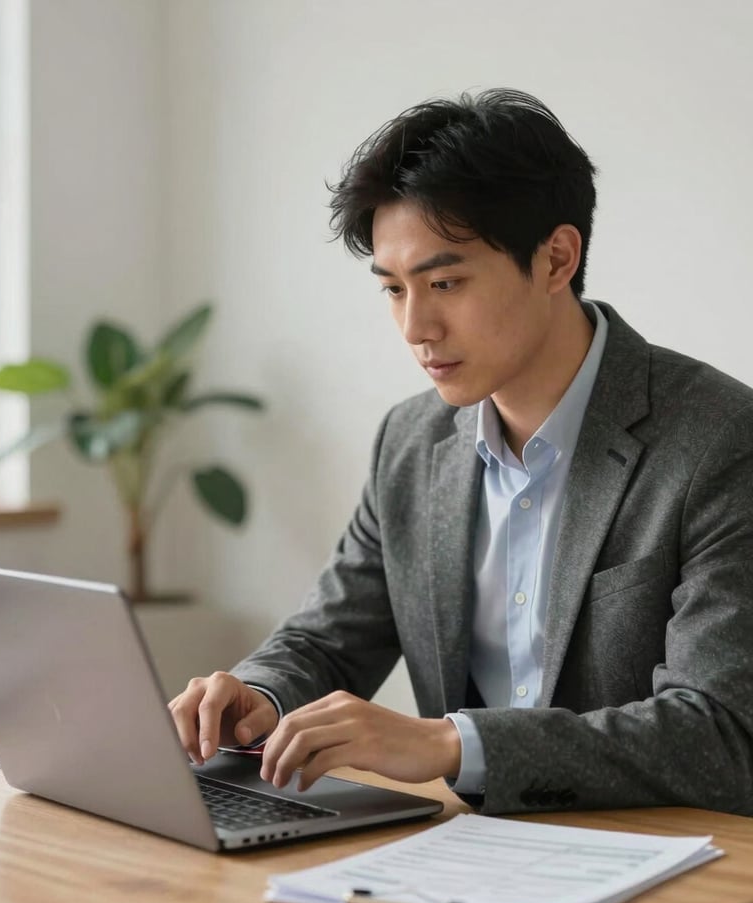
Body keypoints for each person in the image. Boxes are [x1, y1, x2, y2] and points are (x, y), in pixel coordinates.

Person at [169, 88, 753, 816]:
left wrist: (452, 745)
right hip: (468, 857)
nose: (416, 327)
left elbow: (721, 735)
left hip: (660, 860)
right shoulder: (412, 441)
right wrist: (256, 692)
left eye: (445, 282)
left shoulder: (719, 439)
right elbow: (330, 639)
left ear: (556, 259)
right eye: (393, 289)